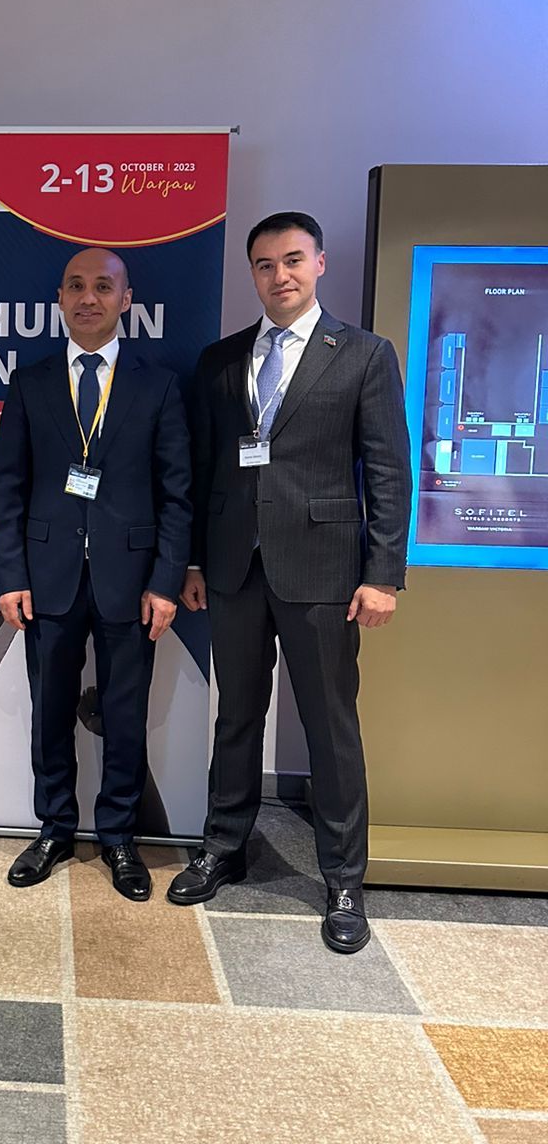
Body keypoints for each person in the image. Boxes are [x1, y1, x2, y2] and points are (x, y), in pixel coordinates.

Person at [171, 212, 411, 953]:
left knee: (331, 727)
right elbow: (205, 469)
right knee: (236, 716)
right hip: (234, 567)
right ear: (253, 273)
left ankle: (343, 879)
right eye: (266, 264)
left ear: (319, 264)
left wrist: (383, 576)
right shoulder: (220, 360)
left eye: (293, 260)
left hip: (324, 572)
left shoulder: (364, 354)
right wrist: (194, 561)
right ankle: (224, 846)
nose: (280, 275)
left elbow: (389, 471)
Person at [0, 247, 191, 900]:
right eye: (75, 286)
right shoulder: (31, 383)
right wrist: (10, 576)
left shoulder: (158, 386)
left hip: (130, 582)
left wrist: (165, 582)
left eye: (103, 287)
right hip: (46, 578)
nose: (88, 298)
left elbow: (176, 494)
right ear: (60, 297)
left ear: (125, 300)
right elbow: (8, 488)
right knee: (49, 711)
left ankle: (119, 837)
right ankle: (54, 828)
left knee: (124, 715)